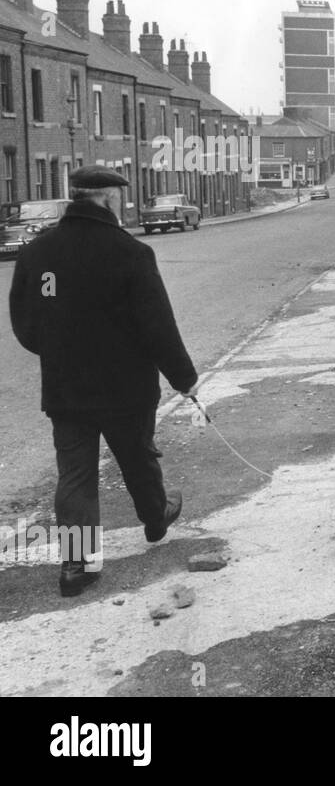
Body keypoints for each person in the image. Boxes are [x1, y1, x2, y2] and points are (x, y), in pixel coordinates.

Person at [8, 166, 195, 597]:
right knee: (137, 458)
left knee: (74, 476)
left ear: (74, 197)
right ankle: (155, 517)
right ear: (110, 199)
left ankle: (77, 566)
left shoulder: (39, 254)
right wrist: (184, 378)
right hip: (126, 388)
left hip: (65, 387)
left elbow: (26, 321)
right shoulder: (130, 254)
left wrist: (56, 350)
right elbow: (157, 327)